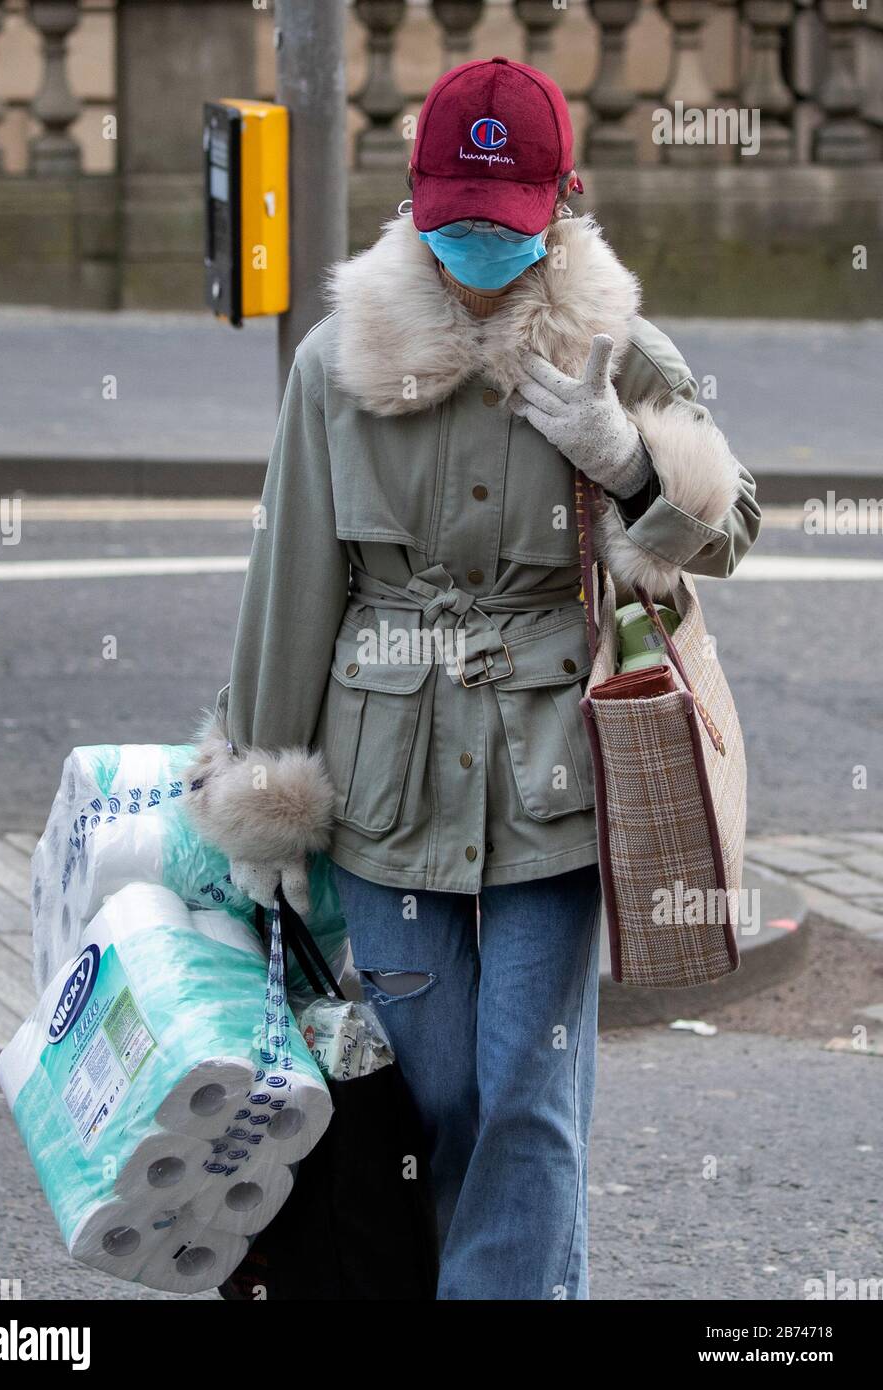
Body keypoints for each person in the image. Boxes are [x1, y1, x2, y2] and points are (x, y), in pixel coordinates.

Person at [186, 56, 760, 1300]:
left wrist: (627, 463)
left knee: (527, 1091)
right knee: (431, 1087)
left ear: (563, 201)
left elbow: (732, 523)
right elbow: (292, 585)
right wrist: (260, 793)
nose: (474, 252)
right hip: (381, 783)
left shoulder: (620, 347)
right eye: (450, 225)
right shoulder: (334, 365)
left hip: (558, 778)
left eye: (501, 228)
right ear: (411, 200)